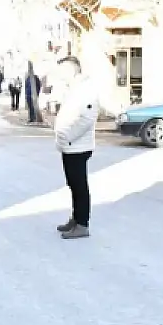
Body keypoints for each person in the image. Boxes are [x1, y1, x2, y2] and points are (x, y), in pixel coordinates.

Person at [52, 57, 99, 239]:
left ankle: (82, 224)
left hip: (78, 146)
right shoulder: (73, 88)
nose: (60, 74)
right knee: (73, 184)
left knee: (79, 186)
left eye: (63, 70)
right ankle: (76, 218)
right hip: (69, 146)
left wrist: (67, 136)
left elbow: (87, 118)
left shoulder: (86, 89)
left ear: (73, 70)